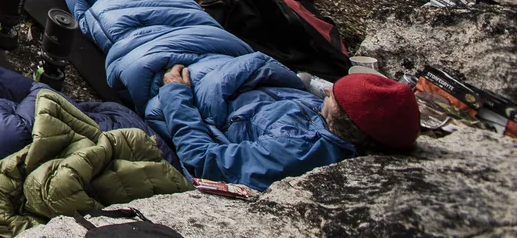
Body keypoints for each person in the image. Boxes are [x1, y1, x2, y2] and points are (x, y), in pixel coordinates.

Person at [151, 63, 418, 190]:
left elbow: (201, 158)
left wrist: (176, 94)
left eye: (332, 96)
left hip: (195, 98)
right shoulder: (330, 124)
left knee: (137, 65)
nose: (325, 91)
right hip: (229, 73)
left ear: (343, 119)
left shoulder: (295, 151)